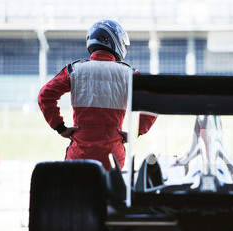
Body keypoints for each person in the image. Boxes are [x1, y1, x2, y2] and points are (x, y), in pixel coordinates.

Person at [38, 19, 157, 171]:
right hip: (112, 155)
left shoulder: (75, 70)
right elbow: (152, 102)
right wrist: (136, 132)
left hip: (79, 154)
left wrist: (60, 127)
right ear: (115, 41)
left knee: (75, 193)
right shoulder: (129, 73)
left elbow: (44, 96)